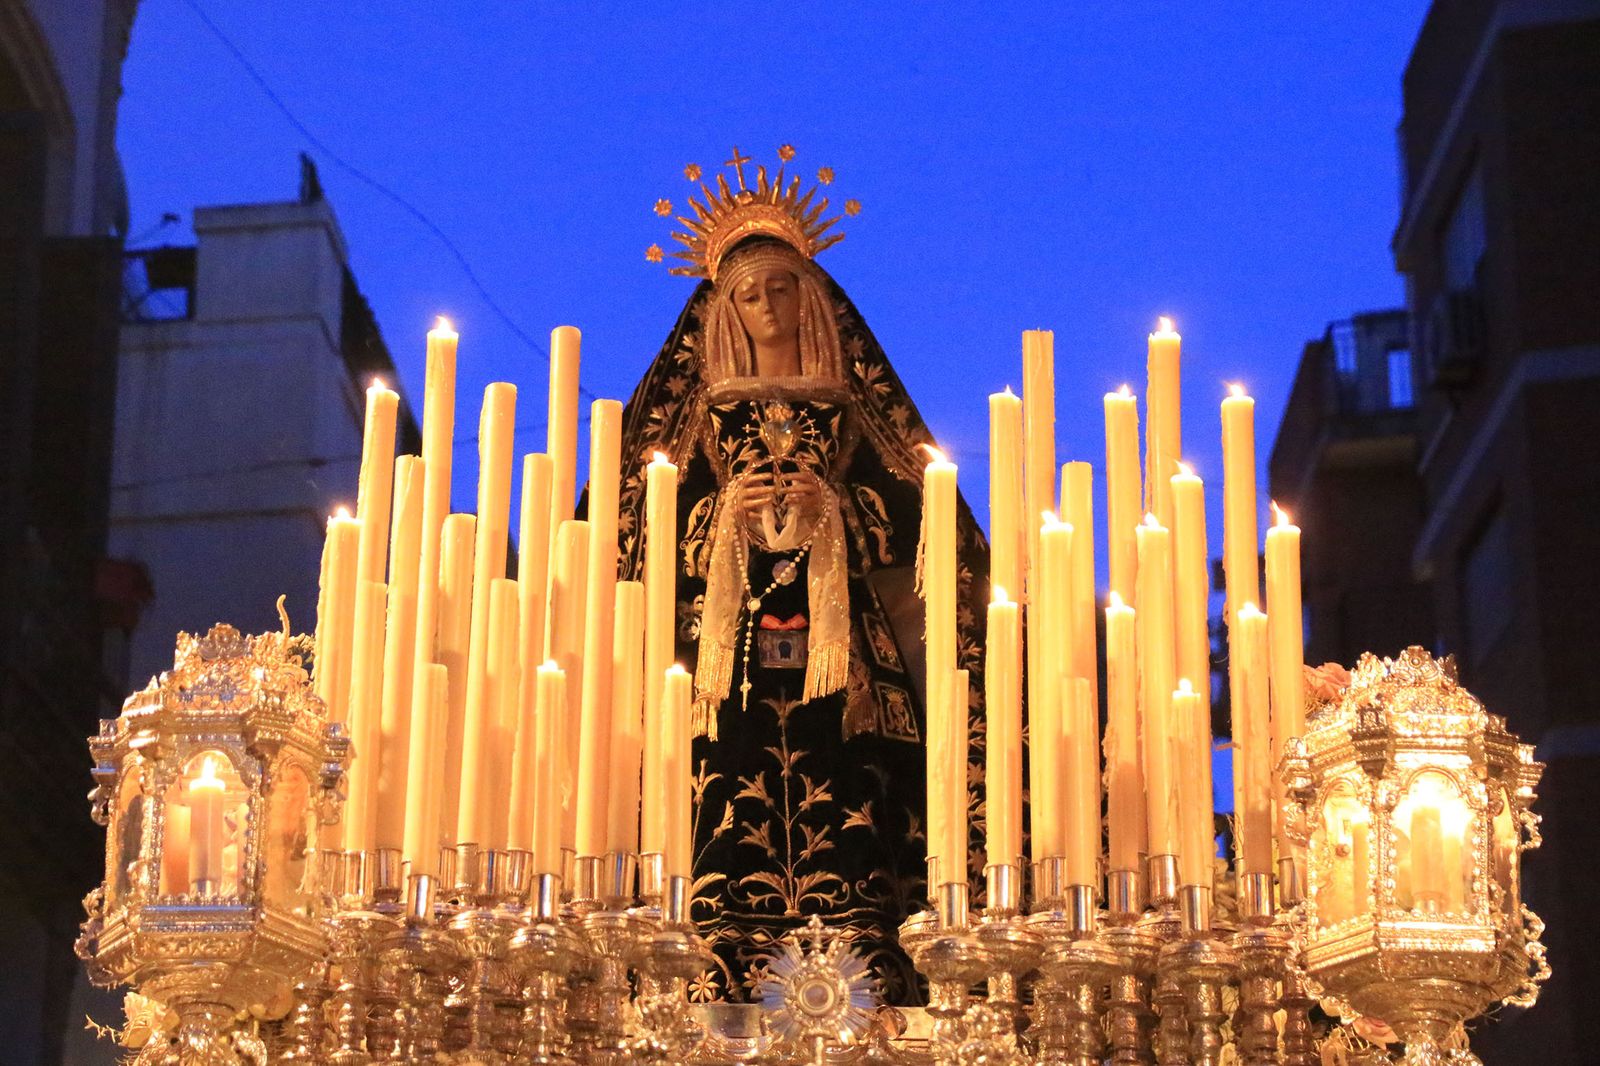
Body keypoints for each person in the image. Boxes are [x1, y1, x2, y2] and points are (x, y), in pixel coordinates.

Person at [616, 151, 989, 1004]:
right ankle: (716, 938)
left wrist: (833, 512)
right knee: (725, 768)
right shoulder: (694, 418)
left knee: (848, 767)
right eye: (750, 295)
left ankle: (859, 943)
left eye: (783, 289)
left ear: (811, 297)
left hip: (840, 650)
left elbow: (917, 528)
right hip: (729, 649)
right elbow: (639, 533)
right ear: (724, 313)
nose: (768, 307)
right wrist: (722, 518)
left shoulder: (851, 406)